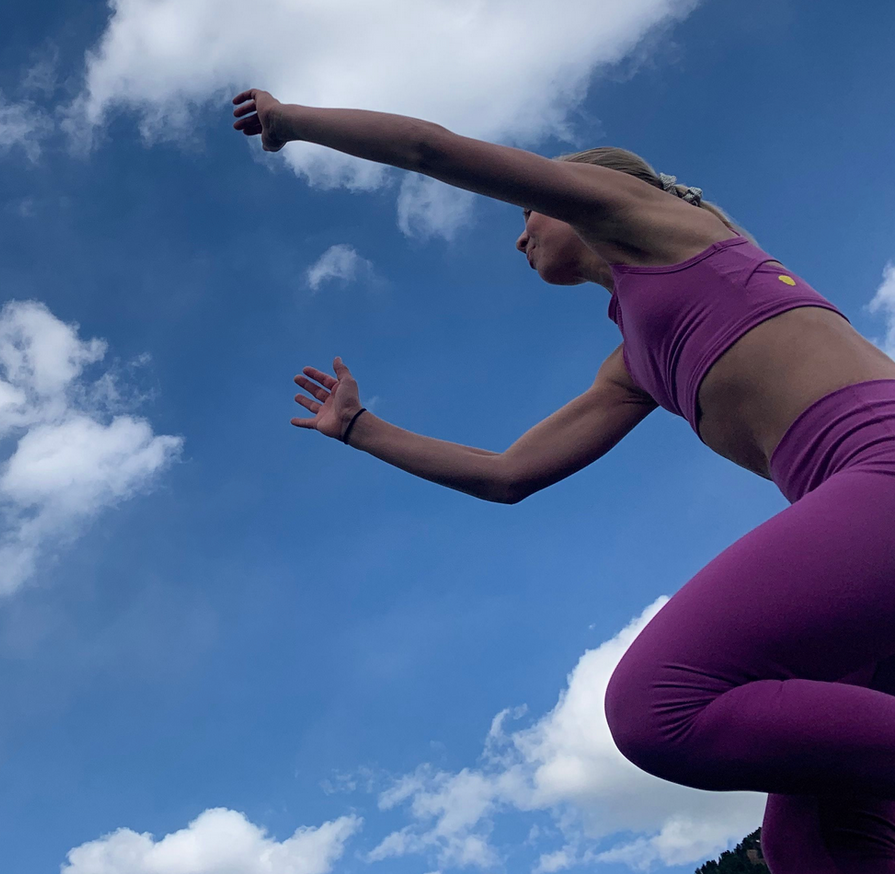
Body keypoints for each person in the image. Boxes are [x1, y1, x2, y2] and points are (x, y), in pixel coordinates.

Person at [231, 88, 895, 873]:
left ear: (580, 190)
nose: (519, 238)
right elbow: (508, 474)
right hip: (867, 539)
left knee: (657, 706)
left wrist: (291, 121)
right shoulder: (634, 360)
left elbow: (429, 148)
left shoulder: (652, 221)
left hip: (879, 468)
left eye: (525, 216)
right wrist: (359, 429)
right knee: (811, 841)